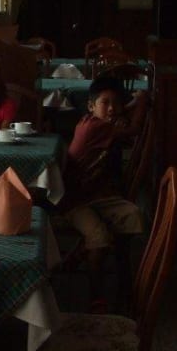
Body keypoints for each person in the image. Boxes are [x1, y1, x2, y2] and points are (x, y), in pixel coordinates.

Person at [57, 77, 150, 312]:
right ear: (90, 107)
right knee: (99, 238)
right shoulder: (93, 127)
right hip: (74, 200)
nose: (111, 109)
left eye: (117, 104)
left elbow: (116, 115)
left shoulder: (99, 120)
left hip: (97, 195)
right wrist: (142, 101)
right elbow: (134, 130)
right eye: (104, 103)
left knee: (132, 214)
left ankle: (122, 276)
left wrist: (125, 107)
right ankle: (95, 294)